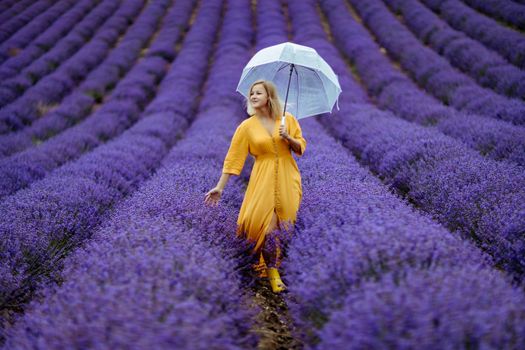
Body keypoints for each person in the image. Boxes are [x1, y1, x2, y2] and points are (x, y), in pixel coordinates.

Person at [204, 79, 306, 293]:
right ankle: (272, 273)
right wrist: (220, 187)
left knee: (284, 226)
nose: (253, 96)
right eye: (251, 93)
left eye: (258, 92)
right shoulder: (246, 127)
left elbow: (300, 148)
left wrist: (287, 137)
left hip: (289, 177)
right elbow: (233, 159)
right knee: (265, 227)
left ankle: (283, 266)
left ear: (269, 96)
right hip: (263, 178)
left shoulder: (288, 120)